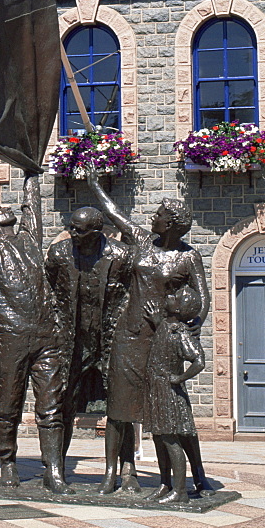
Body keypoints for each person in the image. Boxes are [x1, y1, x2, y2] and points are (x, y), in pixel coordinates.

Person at [87, 170, 210, 494]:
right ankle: (111, 474)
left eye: (158, 215)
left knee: (173, 413)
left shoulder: (187, 256)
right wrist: (95, 184)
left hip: (162, 341)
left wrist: (189, 329)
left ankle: (195, 473)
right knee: (118, 408)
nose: (151, 218)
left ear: (170, 223)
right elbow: (114, 214)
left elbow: (203, 297)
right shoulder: (142, 241)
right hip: (130, 336)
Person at [0, 140, 68, 492]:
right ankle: (8, 464)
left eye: (7, 207)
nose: (1, 207)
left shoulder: (30, 239)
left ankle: (53, 470)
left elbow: (31, 204)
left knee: (51, 408)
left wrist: (30, 168)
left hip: (46, 337)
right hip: (10, 337)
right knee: (8, 405)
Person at [45, 207, 132, 468]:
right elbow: (48, 288)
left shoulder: (121, 255)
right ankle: (56, 467)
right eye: (71, 227)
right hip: (73, 343)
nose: (71, 233)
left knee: (120, 408)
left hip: (111, 341)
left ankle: (127, 471)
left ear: (96, 232)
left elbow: (133, 293)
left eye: (78, 230)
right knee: (63, 404)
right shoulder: (59, 253)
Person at [143, 287, 205, 504]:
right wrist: (156, 320)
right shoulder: (165, 326)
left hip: (169, 393)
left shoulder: (179, 332)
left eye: (174, 297)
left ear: (179, 308)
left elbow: (199, 360)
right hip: (156, 390)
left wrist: (180, 378)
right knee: (159, 439)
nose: (168, 296)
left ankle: (180, 490)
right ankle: (165, 484)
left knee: (171, 440)